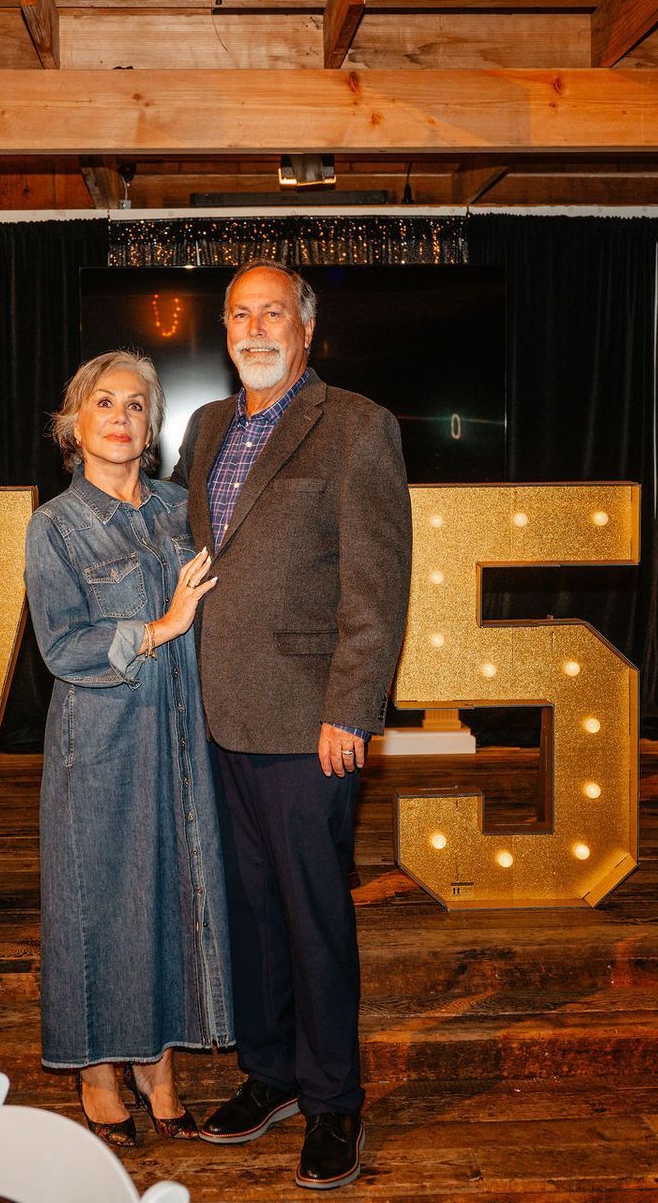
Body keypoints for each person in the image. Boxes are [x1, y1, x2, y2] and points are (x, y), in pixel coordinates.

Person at [171, 260, 412, 1191]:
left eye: (274, 311)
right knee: (251, 913)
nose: (255, 326)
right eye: (240, 313)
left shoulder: (357, 425)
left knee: (313, 919)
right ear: (225, 331)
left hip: (311, 722)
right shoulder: (205, 427)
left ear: (307, 329)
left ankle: (333, 1100)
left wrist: (351, 705)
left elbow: (377, 582)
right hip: (219, 714)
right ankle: (270, 1072)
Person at [24, 350, 233, 1147]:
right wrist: (157, 628)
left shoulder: (184, 509)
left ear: (150, 427)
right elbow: (64, 646)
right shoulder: (55, 525)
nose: (119, 416)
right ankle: (97, 1069)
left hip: (183, 733)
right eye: (103, 402)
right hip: (103, 739)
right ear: (75, 424)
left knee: (174, 892)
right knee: (101, 900)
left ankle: (159, 1065)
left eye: (136, 405)